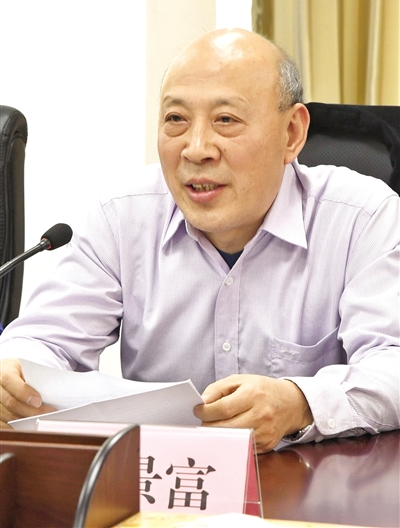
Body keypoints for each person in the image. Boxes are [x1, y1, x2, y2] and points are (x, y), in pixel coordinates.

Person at [0, 29, 399, 453]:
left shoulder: (362, 217)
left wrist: (299, 402)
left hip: (310, 481)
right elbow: (44, 339)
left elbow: (392, 362)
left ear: (291, 134)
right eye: (176, 119)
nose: (196, 149)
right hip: (159, 480)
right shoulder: (122, 216)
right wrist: (15, 372)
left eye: (226, 120)